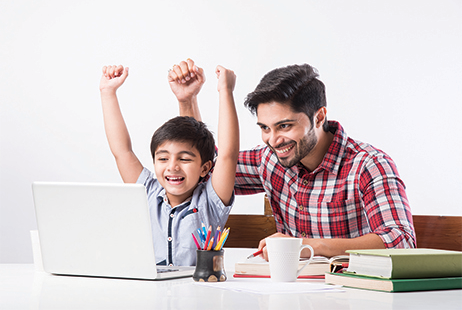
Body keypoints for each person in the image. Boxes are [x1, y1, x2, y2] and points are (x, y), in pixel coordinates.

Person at [173, 62, 415, 260]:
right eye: (265, 128)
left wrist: (309, 246)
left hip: (354, 293)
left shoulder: (368, 164)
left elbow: (401, 241)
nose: (274, 140)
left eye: (285, 126)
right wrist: (187, 101)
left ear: (319, 116)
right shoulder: (268, 159)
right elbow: (205, 169)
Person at [99, 60, 239, 266]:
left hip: (199, 294)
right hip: (151, 293)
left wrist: (225, 91)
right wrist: (107, 92)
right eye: (163, 158)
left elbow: (228, 154)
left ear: (205, 168)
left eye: (184, 159)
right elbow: (122, 151)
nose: (172, 166)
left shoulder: (210, 201)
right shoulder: (147, 191)